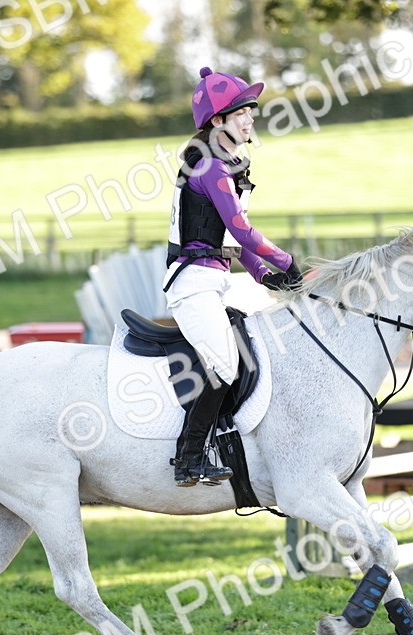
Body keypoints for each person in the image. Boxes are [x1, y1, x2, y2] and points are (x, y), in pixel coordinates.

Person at [164, 66, 302, 487]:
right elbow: (243, 230)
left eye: (252, 112)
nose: (251, 120)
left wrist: (266, 276)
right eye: (243, 112)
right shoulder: (208, 167)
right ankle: (188, 460)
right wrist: (287, 260)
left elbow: (234, 239)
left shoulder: (223, 164)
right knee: (226, 365)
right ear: (217, 120)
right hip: (192, 285)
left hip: (215, 281)